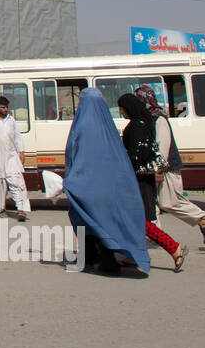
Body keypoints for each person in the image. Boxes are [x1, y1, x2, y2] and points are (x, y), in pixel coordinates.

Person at [63, 89, 151, 275]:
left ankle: (92, 259)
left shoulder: (81, 125)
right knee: (105, 219)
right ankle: (106, 258)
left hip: (86, 183)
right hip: (110, 183)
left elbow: (72, 153)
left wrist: (70, 178)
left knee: (83, 217)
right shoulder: (108, 125)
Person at [135, 84, 205, 244]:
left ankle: (203, 220)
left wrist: (158, 170)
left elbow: (162, 147)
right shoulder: (147, 118)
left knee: (169, 201)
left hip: (166, 169)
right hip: (154, 169)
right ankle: (153, 235)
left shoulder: (158, 118)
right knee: (150, 202)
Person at [117, 93, 187, 271]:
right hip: (143, 178)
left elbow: (138, 155)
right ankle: (135, 254)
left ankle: (174, 248)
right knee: (134, 220)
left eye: (122, 108)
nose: (121, 111)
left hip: (139, 179)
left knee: (142, 222)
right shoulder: (145, 122)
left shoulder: (136, 126)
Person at [0, 97, 30, 221]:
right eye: (3, 107)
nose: (5, 110)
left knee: (17, 181)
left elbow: (17, 136)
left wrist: (21, 151)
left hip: (11, 156)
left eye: (6, 107)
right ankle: (1, 209)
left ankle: (21, 209)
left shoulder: (11, 120)